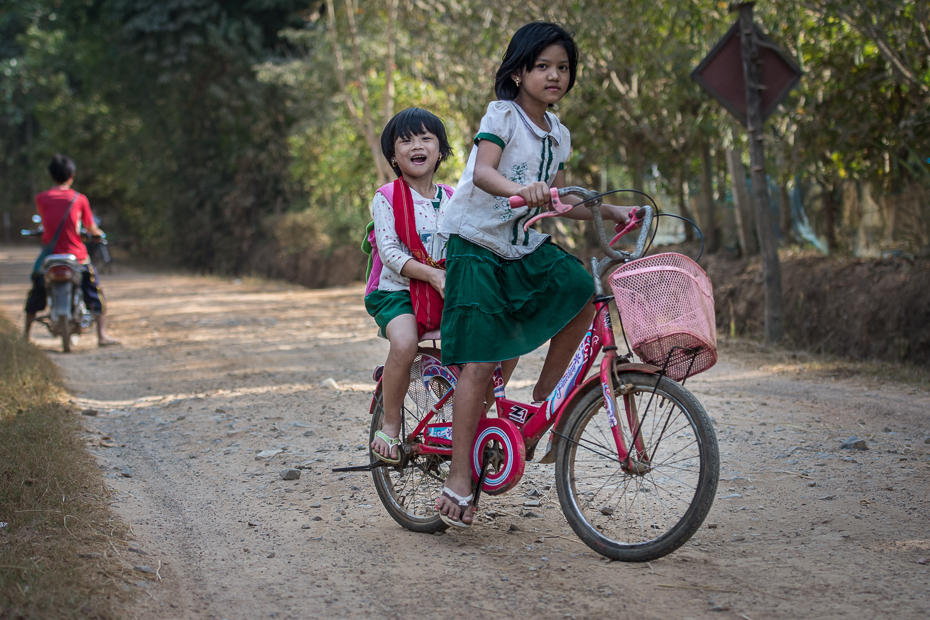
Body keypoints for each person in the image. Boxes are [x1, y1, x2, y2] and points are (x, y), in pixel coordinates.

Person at [435, 22, 640, 527]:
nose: (554, 75)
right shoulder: (502, 115)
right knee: (480, 363)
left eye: (563, 67)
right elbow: (483, 172)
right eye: (543, 66)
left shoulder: (559, 133)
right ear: (519, 71)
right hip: (477, 244)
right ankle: (460, 476)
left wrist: (611, 212)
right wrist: (518, 190)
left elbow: (561, 197)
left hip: (521, 245)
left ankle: (542, 409)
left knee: (577, 287)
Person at [365, 108, 454, 464]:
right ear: (393, 156)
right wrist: (431, 274)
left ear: (440, 150)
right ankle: (391, 422)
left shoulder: (453, 197)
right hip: (396, 291)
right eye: (406, 140)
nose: (416, 145)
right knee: (405, 343)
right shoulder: (386, 196)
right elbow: (388, 251)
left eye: (425, 138)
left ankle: (465, 416)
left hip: (443, 289)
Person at [24, 154, 120, 346]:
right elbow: (90, 227)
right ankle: (101, 335)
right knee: (94, 290)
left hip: (50, 256)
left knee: (37, 288)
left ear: (51, 176)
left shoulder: (41, 198)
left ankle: (25, 336)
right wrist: (97, 234)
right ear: (71, 176)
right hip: (77, 256)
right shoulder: (79, 199)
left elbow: (48, 222)